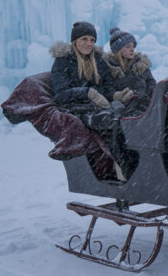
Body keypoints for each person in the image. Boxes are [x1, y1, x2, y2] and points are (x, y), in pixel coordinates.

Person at [50, 21, 125, 181]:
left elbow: (107, 86)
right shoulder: (62, 61)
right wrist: (87, 92)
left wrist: (116, 96)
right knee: (108, 121)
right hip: (75, 108)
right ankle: (119, 168)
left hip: (97, 106)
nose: (89, 43)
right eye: (84, 39)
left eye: (92, 40)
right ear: (75, 40)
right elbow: (60, 95)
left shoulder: (97, 60)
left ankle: (133, 164)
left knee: (127, 116)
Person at [103, 27, 156, 115]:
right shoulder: (108, 68)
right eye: (128, 47)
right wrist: (119, 96)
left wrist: (143, 98)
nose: (132, 49)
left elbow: (152, 86)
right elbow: (107, 91)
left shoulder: (141, 66)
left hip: (144, 108)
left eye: (133, 46)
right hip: (121, 111)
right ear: (118, 50)